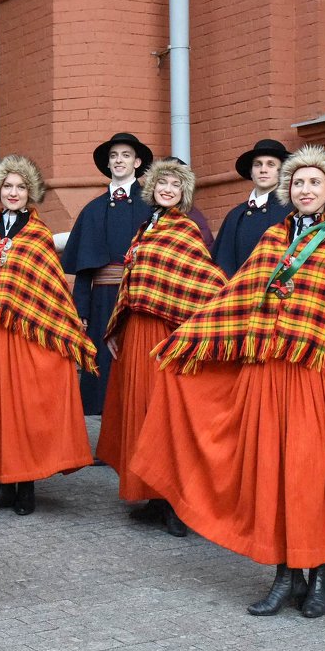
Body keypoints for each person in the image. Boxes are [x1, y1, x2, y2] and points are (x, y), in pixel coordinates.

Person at [130, 145, 325, 617]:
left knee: (314, 477)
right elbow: (236, 298)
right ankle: (284, 576)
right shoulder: (272, 241)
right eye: (299, 183)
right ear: (289, 190)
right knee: (273, 474)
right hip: (269, 378)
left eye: (315, 182)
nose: (306, 190)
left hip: (320, 382)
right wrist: (188, 339)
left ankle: (321, 576)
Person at [0, 155, 96, 515]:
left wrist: (62, 333)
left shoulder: (37, 234)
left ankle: (25, 485)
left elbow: (49, 287)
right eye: (7, 186)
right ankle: (0, 483)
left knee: (21, 408)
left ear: (30, 192)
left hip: (23, 333)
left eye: (20, 187)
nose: (13, 192)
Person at [95, 158, 226, 536]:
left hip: (165, 333)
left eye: (175, 185)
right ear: (151, 188)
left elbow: (202, 280)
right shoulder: (144, 229)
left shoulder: (184, 230)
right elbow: (133, 284)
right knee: (141, 412)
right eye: (162, 183)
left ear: (183, 194)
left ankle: (174, 502)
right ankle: (152, 496)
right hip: (138, 331)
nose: (167, 189)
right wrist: (119, 325)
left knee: (163, 414)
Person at [62, 132, 153, 415]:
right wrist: (82, 311)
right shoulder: (92, 210)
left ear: (137, 162)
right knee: (103, 369)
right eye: (114, 156)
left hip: (140, 298)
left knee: (137, 366)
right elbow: (83, 269)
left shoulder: (152, 206)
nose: (119, 161)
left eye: (125, 155)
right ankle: (106, 444)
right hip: (102, 300)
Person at [211, 139, 291, 277]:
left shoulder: (291, 211)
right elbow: (221, 266)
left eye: (270, 164)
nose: (263, 170)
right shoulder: (235, 216)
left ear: (282, 171)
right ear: (251, 172)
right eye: (257, 165)